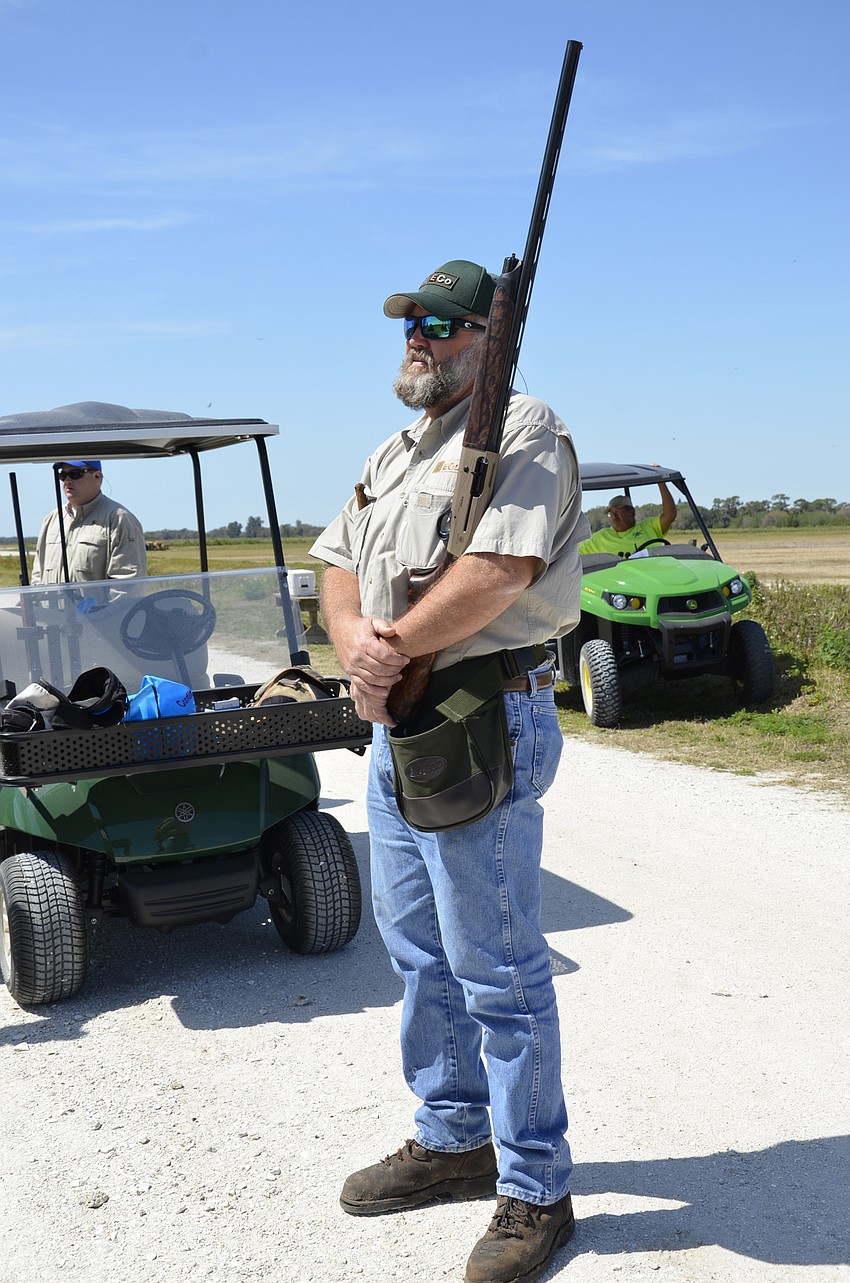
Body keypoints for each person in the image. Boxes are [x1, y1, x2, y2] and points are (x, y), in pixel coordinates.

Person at [311, 259, 585, 1283]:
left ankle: (535, 1187)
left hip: (482, 712)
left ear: (485, 335)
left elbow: (499, 571)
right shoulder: (398, 446)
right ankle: (454, 1134)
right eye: (407, 322)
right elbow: (337, 562)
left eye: (436, 321)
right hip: (400, 719)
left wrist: (394, 650)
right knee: (419, 952)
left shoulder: (524, 427)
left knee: (500, 972)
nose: (415, 336)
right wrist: (359, 650)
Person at [30, 460, 147, 586]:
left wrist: (102, 607)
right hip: (51, 606)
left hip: (100, 606)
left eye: (75, 474)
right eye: (63, 475)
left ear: (97, 477)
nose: (67, 480)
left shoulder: (119, 519)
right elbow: (38, 575)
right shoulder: (52, 519)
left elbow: (128, 583)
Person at [578, 473, 677, 557]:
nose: (615, 517)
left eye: (618, 512)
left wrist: (661, 481)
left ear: (631, 512)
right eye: (612, 514)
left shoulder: (649, 527)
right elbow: (576, 556)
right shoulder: (600, 538)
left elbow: (670, 515)